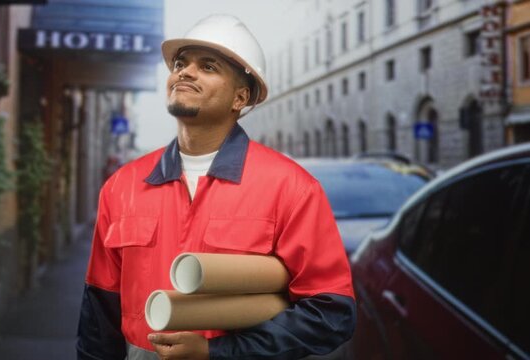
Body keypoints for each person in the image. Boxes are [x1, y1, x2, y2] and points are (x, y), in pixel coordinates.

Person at [77, 14, 356, 360]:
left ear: (240, 97)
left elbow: (332, 313)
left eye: (207, 67)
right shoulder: (122, 186)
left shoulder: (291, 188)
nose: (185, 72)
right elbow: (98, 315)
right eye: (181, 63)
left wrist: (217, 352)